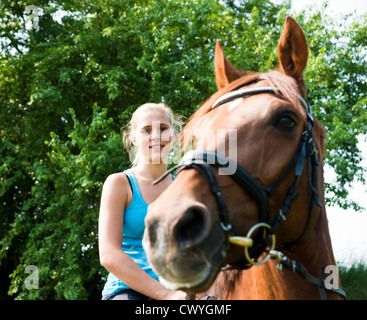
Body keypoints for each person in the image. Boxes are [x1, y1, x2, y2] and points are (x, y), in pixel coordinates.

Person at [98, 103, 187, 300]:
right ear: (134, 138)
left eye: (163, 128)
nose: (156, 136)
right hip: (127, 291)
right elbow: (108, 255)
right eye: (147, 130)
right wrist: (166, 295)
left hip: (178, 291)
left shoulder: (183, 188)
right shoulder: (120, 183)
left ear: (173, 134)